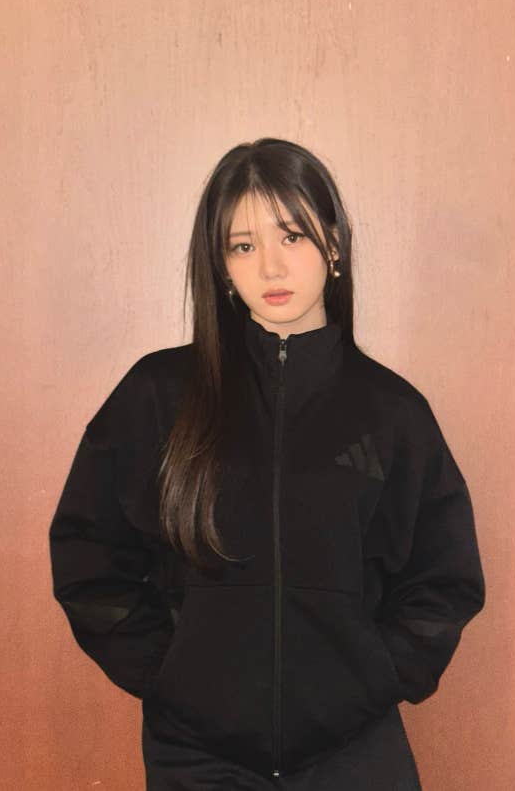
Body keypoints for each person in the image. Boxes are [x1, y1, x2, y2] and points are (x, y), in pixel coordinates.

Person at [49, 137, 485, 790]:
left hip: (353, 755)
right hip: (199, 761)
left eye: (291, 236)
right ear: (222, 266)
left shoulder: (392, 413)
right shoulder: (158, 395)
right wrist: (170, 676)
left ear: (332, 244)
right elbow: (87, 551)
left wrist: (375, 676)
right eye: (243, 245)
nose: (271, 267)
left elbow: (445, 577)